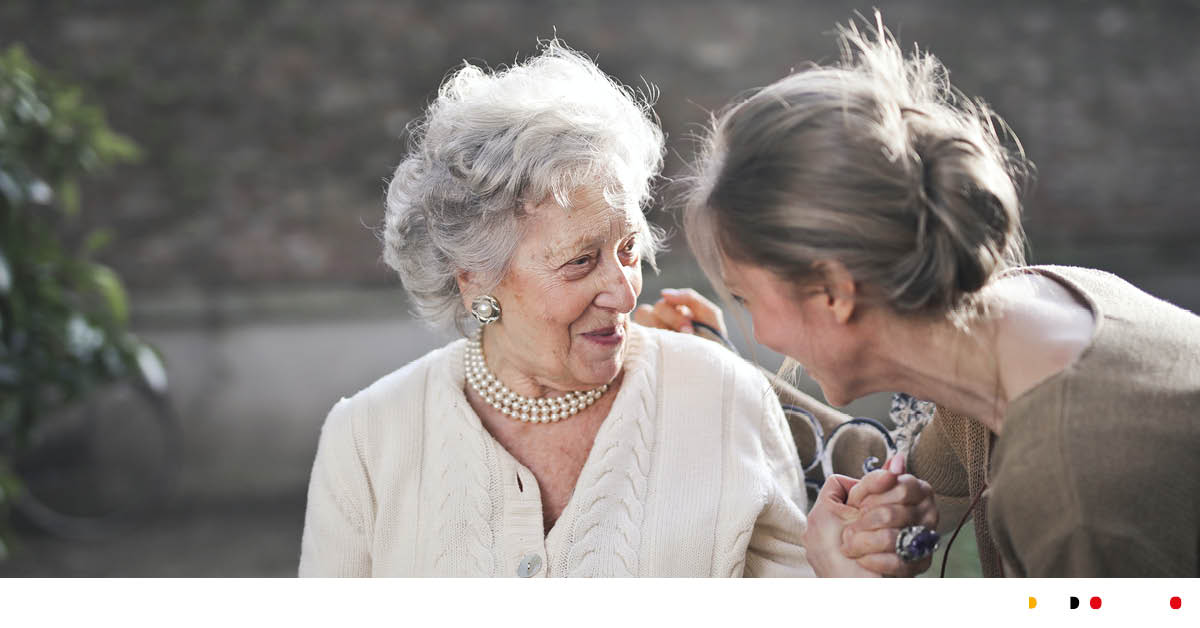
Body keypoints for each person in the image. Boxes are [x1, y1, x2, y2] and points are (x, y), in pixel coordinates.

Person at [298, 41, 937, 577]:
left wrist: (846, 576)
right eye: (580, 261)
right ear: (474, 279)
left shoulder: (722, 398)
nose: (626, 291)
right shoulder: (367, 439)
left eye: (628, 249)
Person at [647, 15, 1200, 577]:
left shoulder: (1070, 492)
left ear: (833, 292)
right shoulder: (1019, 321)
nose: (761, 332)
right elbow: (903, 473)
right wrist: (718, 371)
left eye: (745, 298)